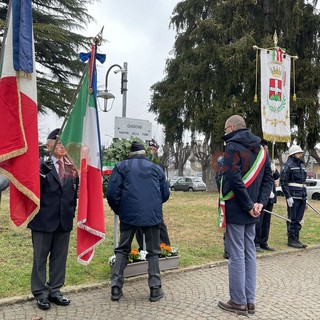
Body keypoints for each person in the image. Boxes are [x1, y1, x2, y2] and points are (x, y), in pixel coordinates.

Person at [218, 115, 273, 316]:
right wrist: (260, 203)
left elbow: (233, 178)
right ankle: (250, 301)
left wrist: (249, 204)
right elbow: (268, 179)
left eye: (226, 129)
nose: (225, 133)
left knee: (236, 254)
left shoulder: (232, 146)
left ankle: (238, 301)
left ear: (231, 128)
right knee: (249, 252)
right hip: (254, 210)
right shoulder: (262, 149)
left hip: (238, 207)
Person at [106, 141, 170, 302]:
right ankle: (155, 289)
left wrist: (120, 210)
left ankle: (116, 287)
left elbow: (112, 193)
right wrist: (153, 205)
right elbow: (165, 193)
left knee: (122, 249)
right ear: (144, 153)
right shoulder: (156, 168)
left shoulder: (121, 167)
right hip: (152, 216)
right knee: (154, 251)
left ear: (130, 154)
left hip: (128, 215)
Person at [27, 128, 79, 310]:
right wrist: (41, 173)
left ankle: (55, 290)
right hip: (43, 220)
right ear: (49, 146)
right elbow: (32, 191)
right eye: (57, 142)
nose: (61, 145)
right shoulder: (39, 164)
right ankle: (40, 293)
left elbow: (73, 194)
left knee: (59, 257)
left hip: (63, 220)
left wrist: (71, 214)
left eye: (64, 142)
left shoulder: (72, 167)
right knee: (40, 258)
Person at [135, 139, 171, 250]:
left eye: (154, 149)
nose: (152, 151)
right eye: (150, 149)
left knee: (159, 224)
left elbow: (162, 184)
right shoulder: (139, 164)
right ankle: (143, 247)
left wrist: (160, 199)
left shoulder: (159, 165)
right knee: (139, 225)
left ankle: (165, 247)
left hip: (155, 200)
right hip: (140, 199)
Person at [280, 145, 307, 249]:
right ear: (293, 154)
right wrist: (288, 196)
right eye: (299, 153)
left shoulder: (302, 165)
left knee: (299, 219)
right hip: (293, 196)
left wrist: (305, 197)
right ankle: (291, 239)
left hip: (301, 196)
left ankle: (296, 238)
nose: (301, 154)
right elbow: (283, 182)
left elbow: (303, 183)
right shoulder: (288, 165)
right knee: (293, 218)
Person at [255, 140, 280, 252]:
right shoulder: (257, 160)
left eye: (267, 148)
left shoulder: (269, 160)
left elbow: (276, 176)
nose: (266, 150)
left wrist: (273, 170)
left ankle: (264, 241)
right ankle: (256, 243)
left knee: (266, 221)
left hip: (271, 194)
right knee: (259, 221)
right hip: (261, 195)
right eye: (264, 148)